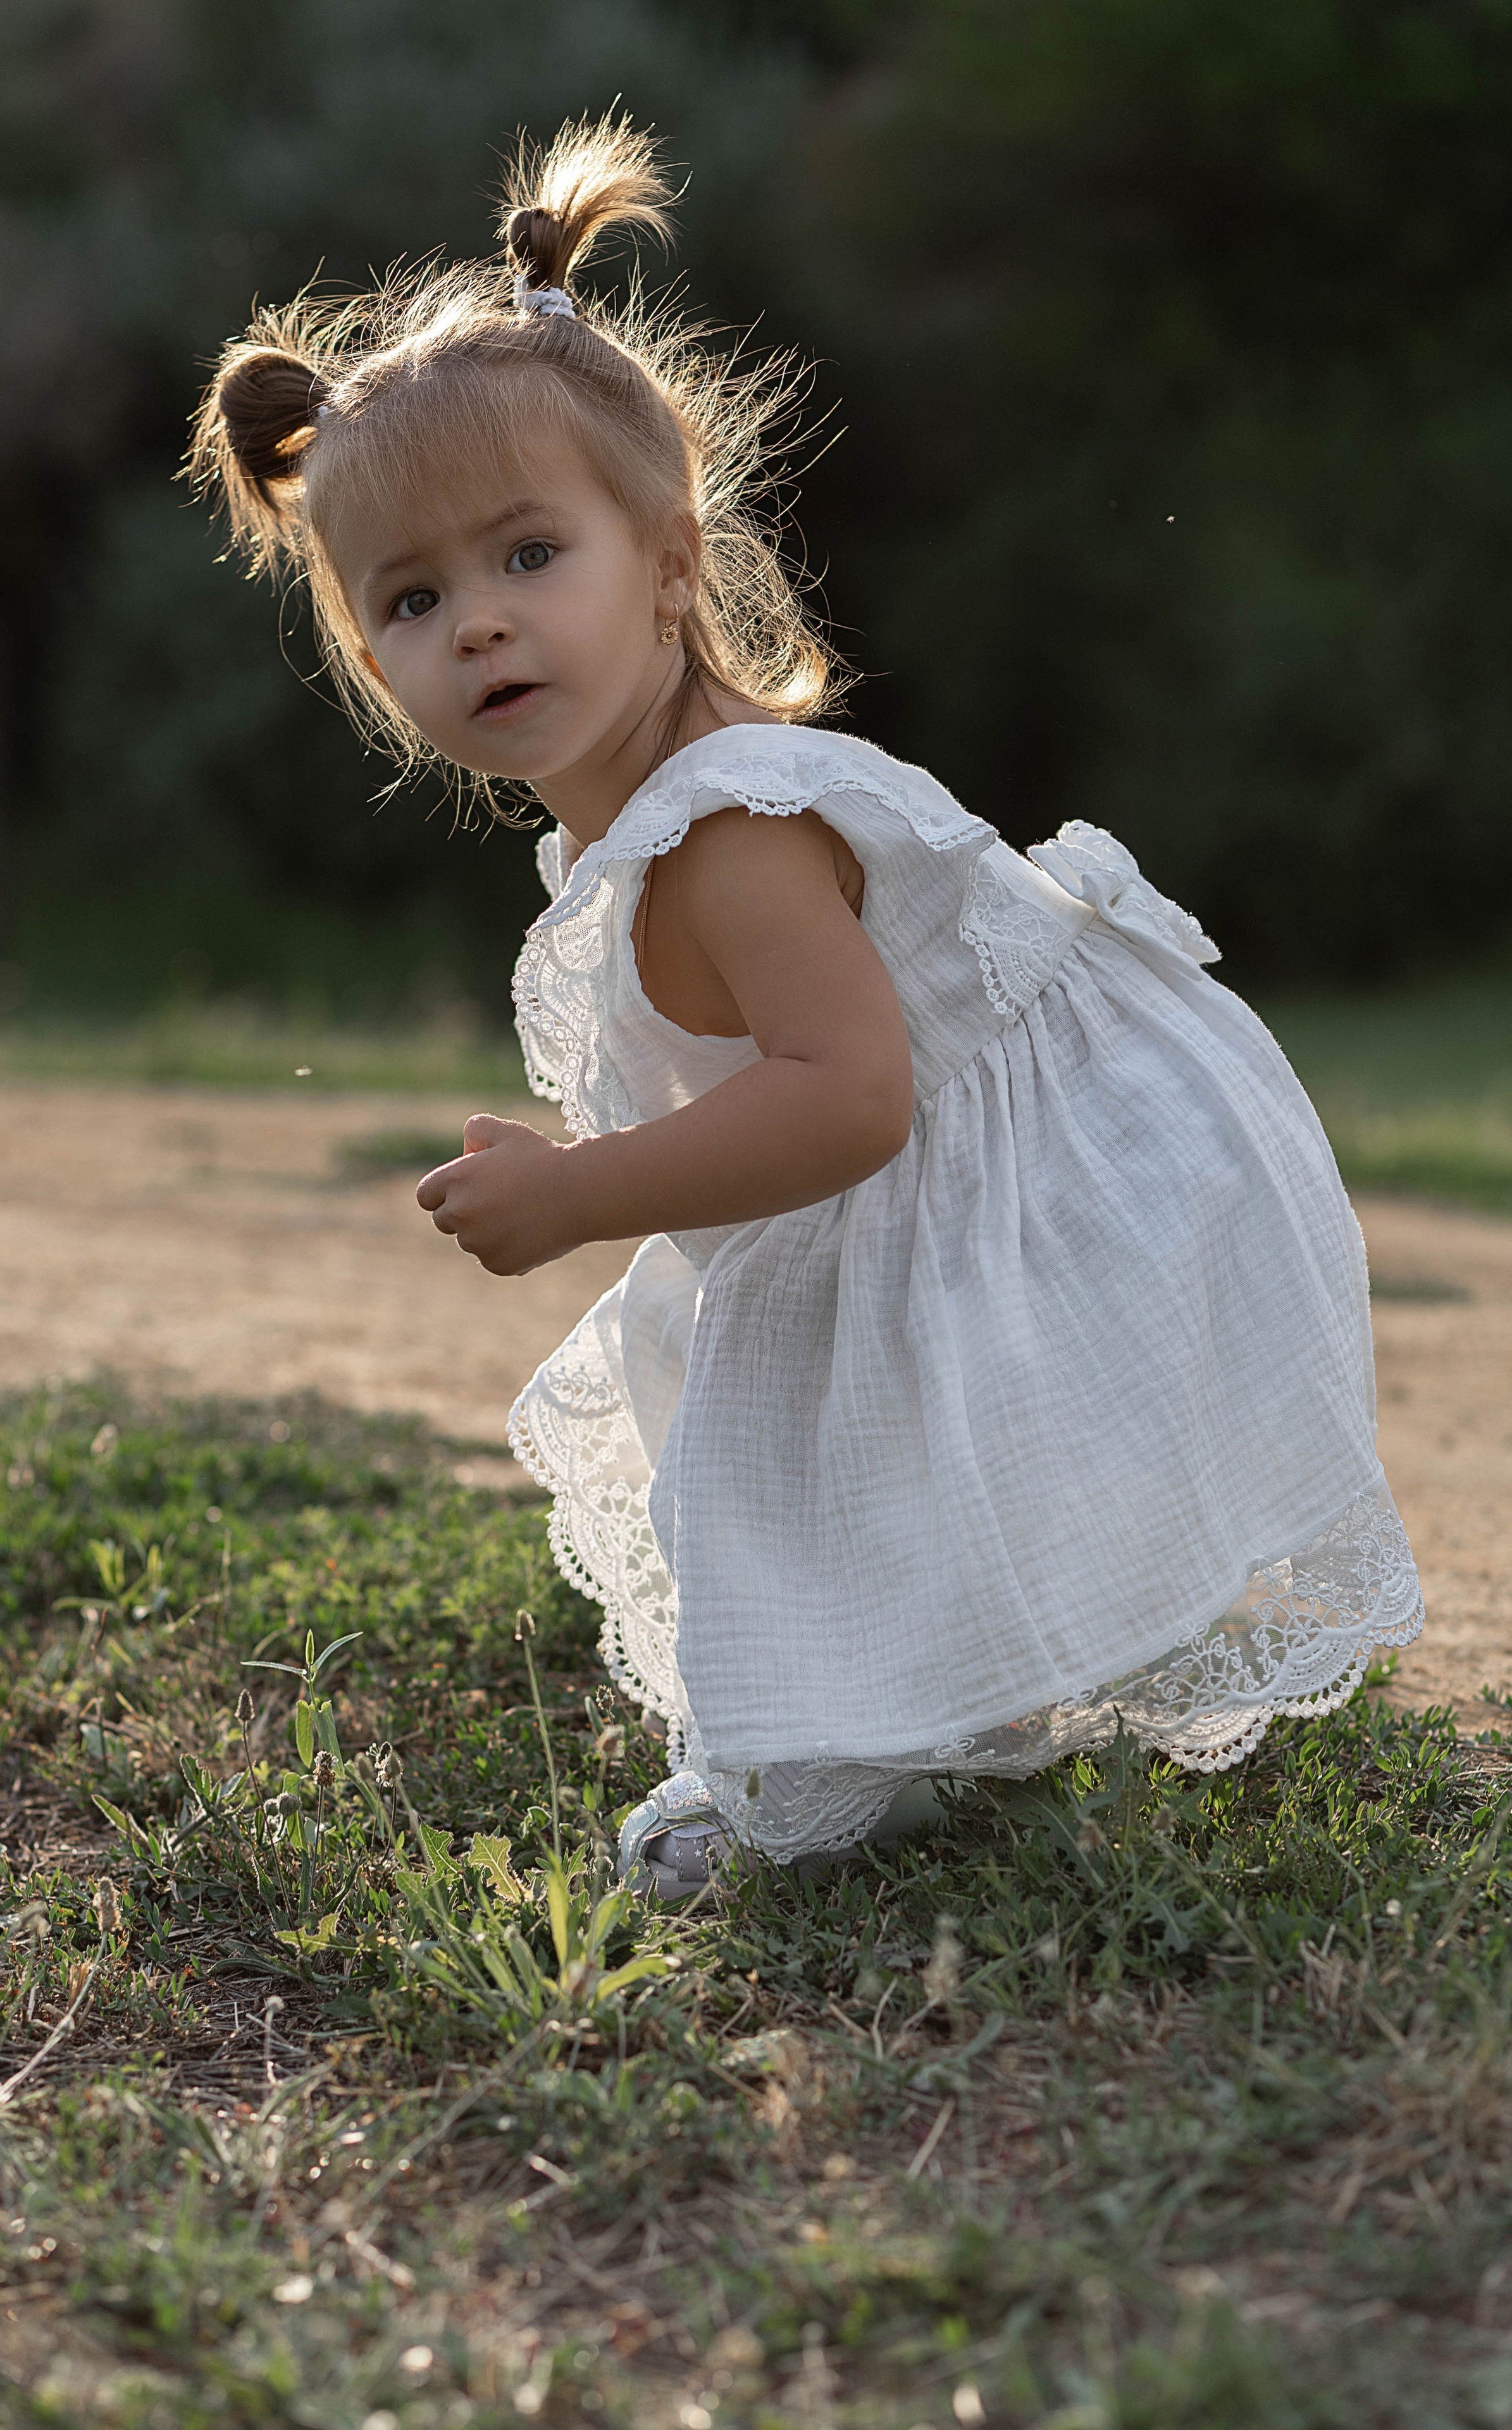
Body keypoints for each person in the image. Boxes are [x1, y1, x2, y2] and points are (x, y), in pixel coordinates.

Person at [193, 117, 1422, 1896]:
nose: (476, 623)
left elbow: (855, 1104)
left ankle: (830, 1769)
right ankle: (919, 1726)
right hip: (925, 1189)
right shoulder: (653, 826)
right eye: (412, 596)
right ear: (372, 663)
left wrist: (577, 1197)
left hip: (1041, 1176)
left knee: (800, 1462)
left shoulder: (732, 828)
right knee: (816, 1441)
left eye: (530, 555)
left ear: (672, 559)